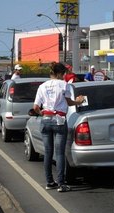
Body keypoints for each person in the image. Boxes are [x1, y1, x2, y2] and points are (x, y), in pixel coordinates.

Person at [33, 62, 85, 192]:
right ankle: (61, 183)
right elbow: (69, 102)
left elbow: (35, 107)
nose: (65, 76)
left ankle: (50, 182)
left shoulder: (42, 86)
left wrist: (44, 114)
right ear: (60, 74)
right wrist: (79, 101)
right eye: (64, 74)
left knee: (48, 152)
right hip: (59, 120)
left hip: (45, 120)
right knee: (60, 153)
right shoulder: (64, 85)